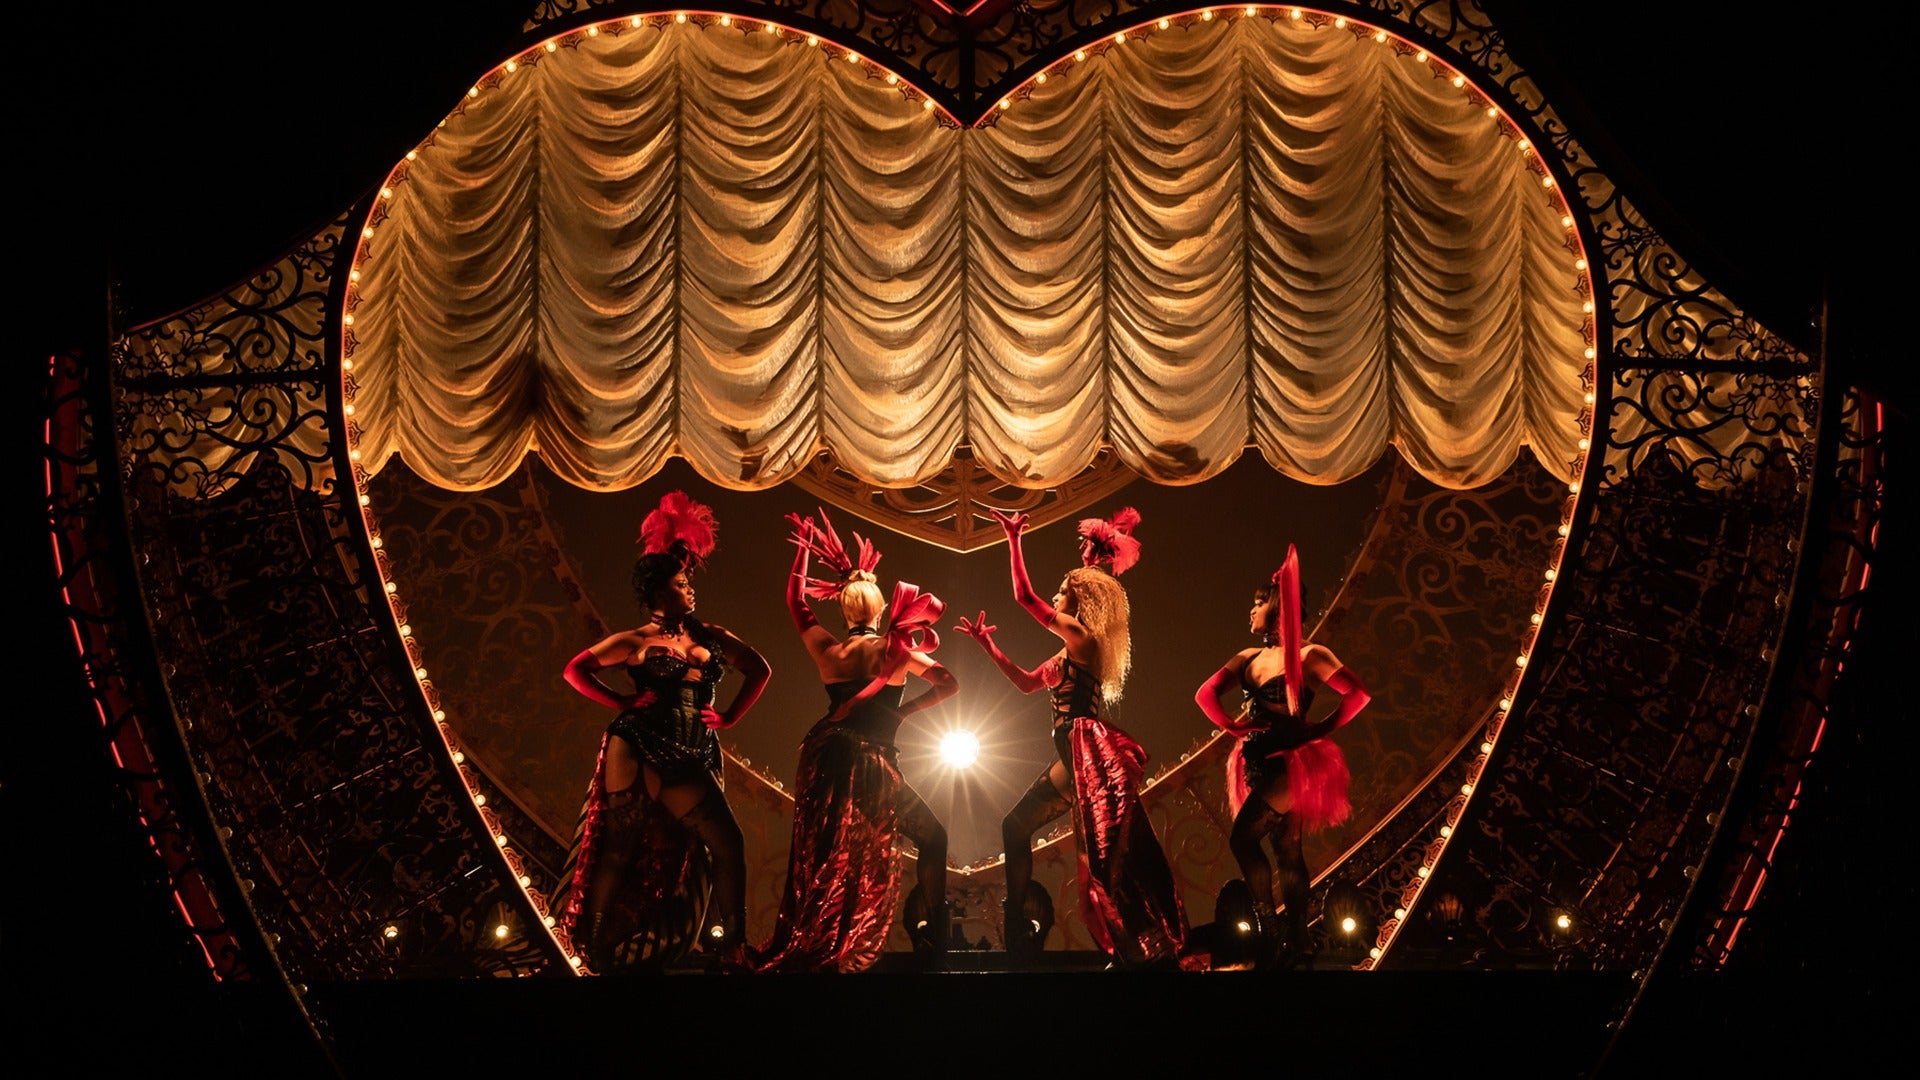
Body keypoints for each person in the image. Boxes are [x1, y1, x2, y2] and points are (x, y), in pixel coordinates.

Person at [957, 506, 1187, 969]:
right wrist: (990, 647)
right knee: (1015, 826)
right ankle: (1019, 932)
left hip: (1089, 755)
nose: (1056, 597)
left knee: (1104, 869)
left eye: (1062, 592)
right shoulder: (1066, 654)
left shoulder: (1084, 640)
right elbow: (1025, 683)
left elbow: (1024, 596)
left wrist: (1013, 538)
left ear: (1078, 602)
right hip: (1072, 758)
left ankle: (1141, 952)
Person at [556, 491, 771, 973]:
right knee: (620, 846)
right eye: (680, 582)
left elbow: (759, 668)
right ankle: (592, 948)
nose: (689, 588)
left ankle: (733, 946)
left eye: (689, 580)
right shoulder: (635, 640)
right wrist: (622, 701)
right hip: (637, 742)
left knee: (724, 843)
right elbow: (575, 671)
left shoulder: (710, 635)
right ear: (658, 592)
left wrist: (731, 716)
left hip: (691, 750)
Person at [751, 509, 958, 973]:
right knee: (925, 838)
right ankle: (927, 939)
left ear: (843, 610)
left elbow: (794, 602)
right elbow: (949, 683)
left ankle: (823, 942)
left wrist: (804, 548)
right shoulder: (896, 649)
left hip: (827, 753)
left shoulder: (829, 650)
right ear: (881, 609)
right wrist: (904, 712)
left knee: (828, 854)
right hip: (871, 763)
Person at [1192, 545, 1371, 968]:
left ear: (1273, 606)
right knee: (1288, 851)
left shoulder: (1311, 656)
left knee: (1243, 838)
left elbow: (1358, 695)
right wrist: (1232, 727)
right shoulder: (1247, 657)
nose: (1249, 612)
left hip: (1294, 764)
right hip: (1258, 761)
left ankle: (1271, 928)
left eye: (1255, 603)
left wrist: (1322, 729)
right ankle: (1299, 939)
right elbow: (1204, 694)